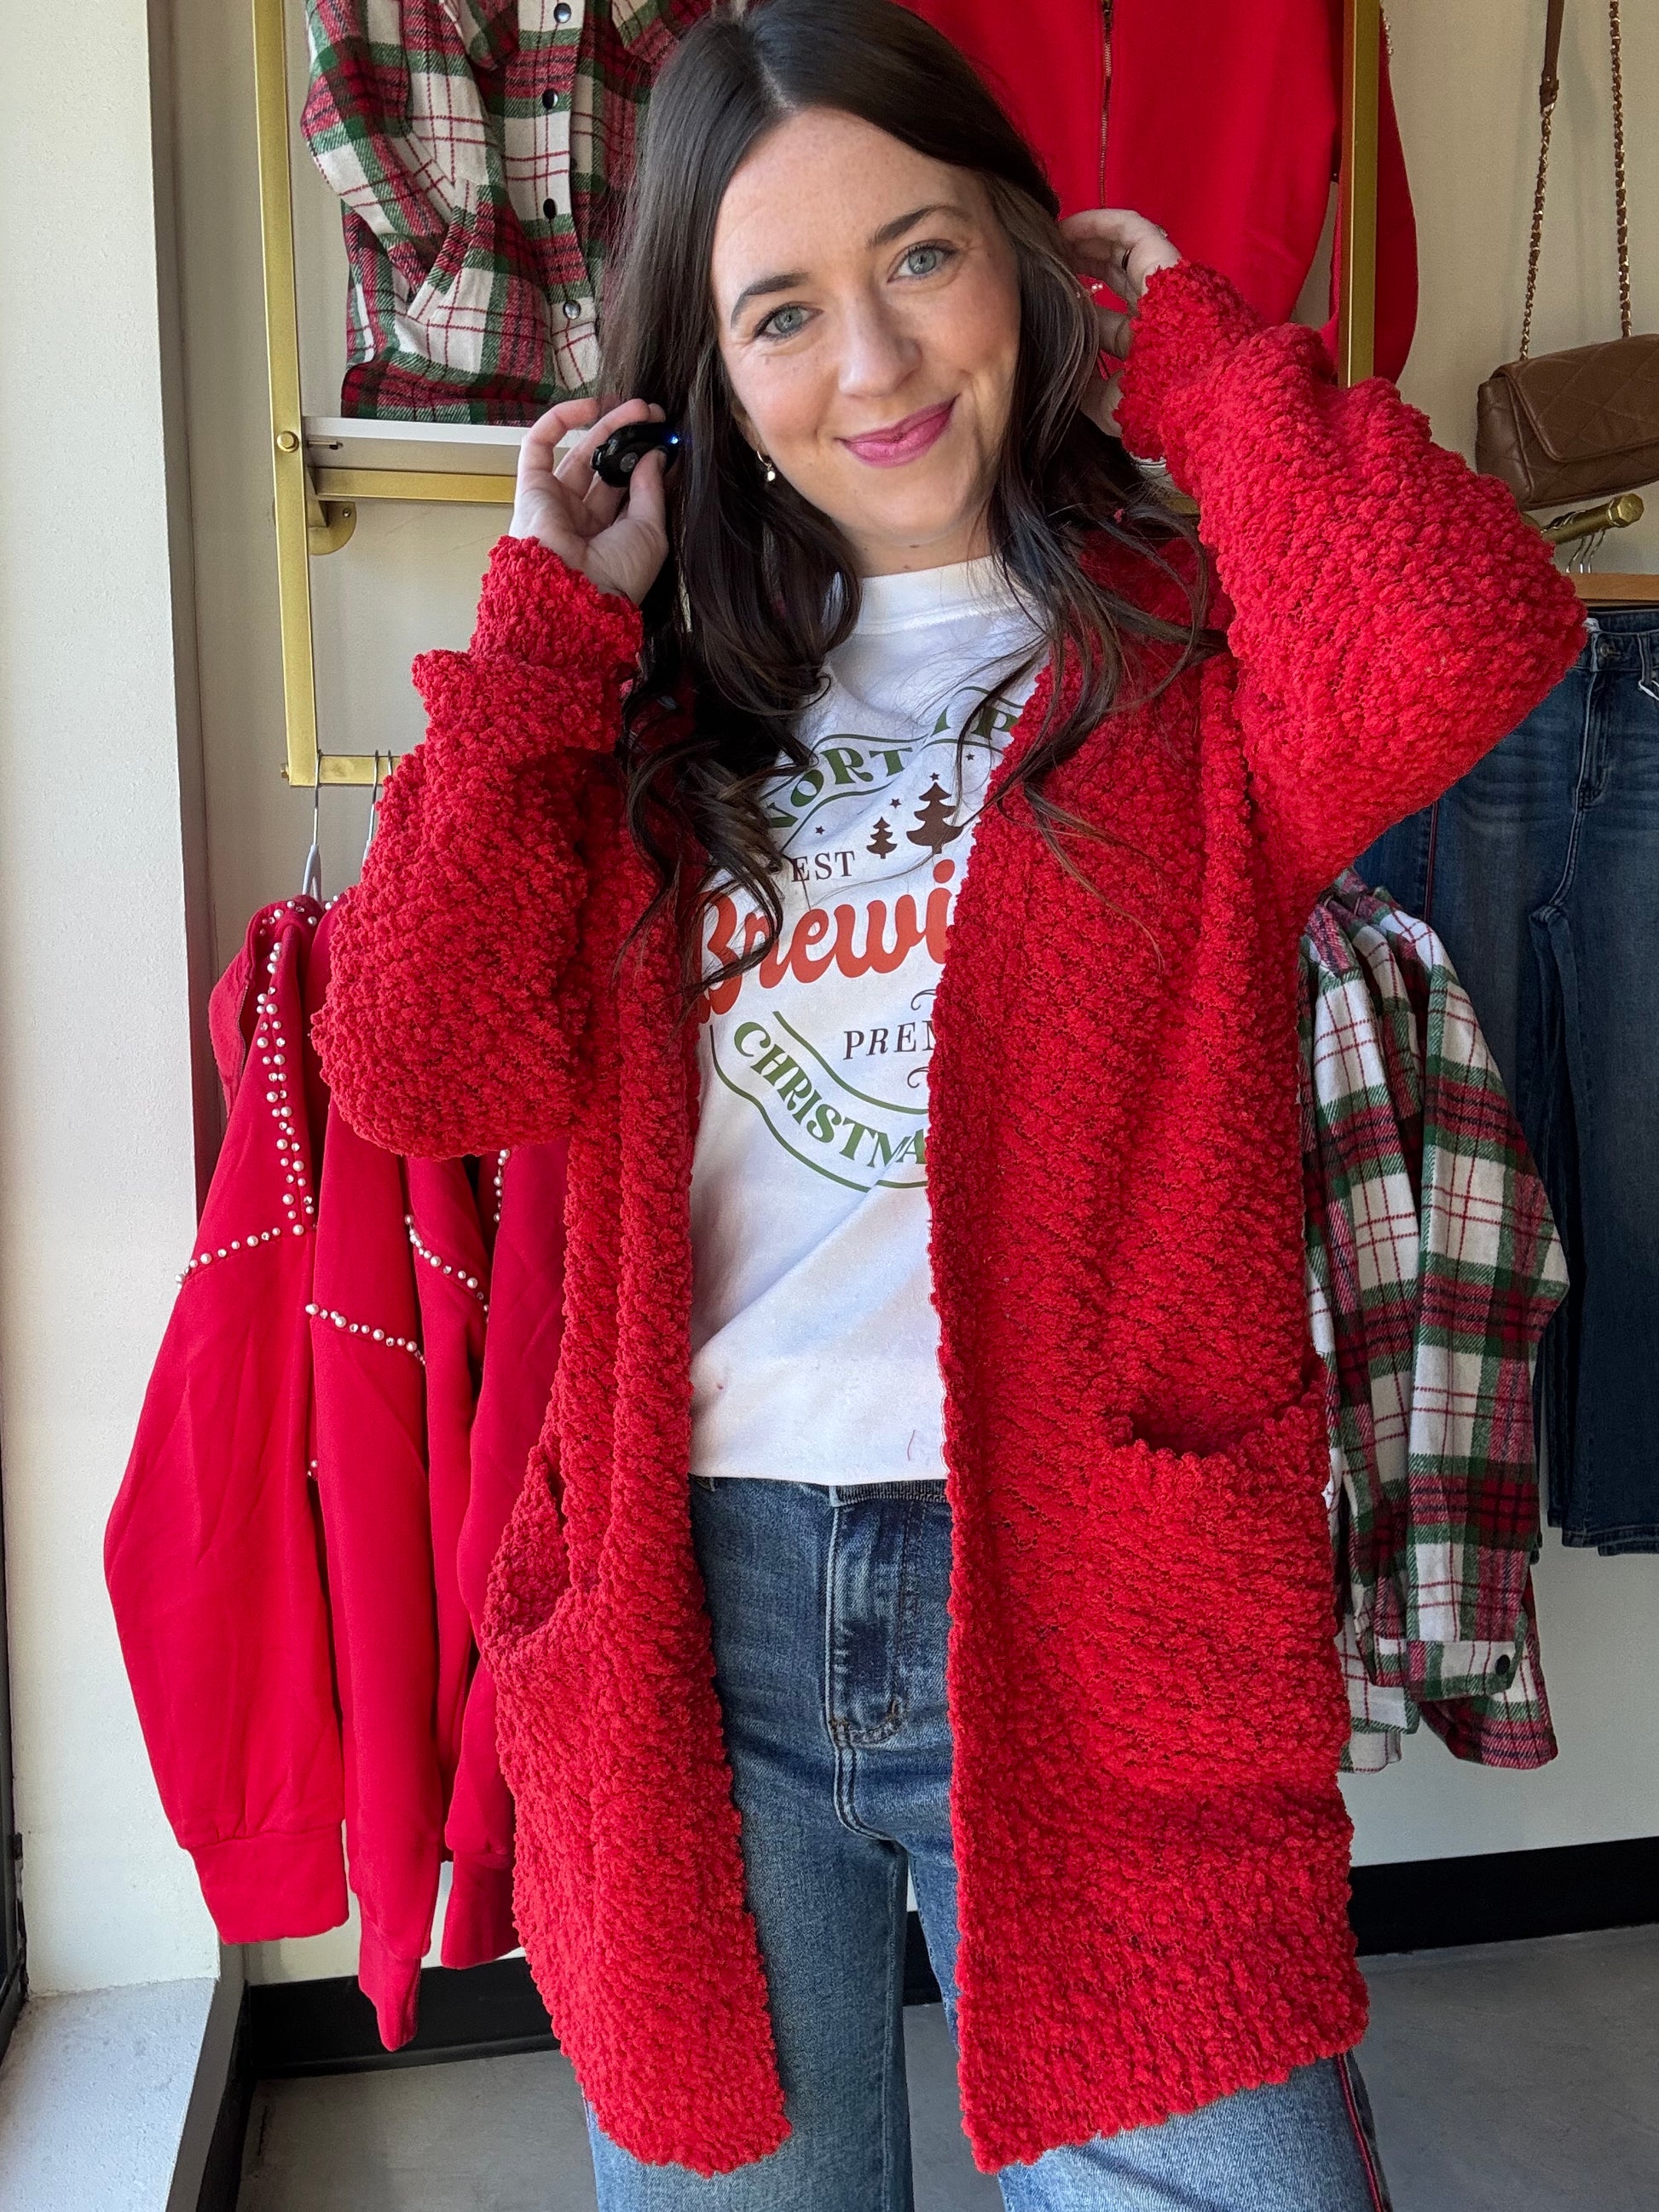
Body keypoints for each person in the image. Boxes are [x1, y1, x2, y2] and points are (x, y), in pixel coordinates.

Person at [314, 3, 1583, 2205]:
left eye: (920, 256)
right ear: (707, 381)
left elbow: (1466, 635)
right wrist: (539, 631)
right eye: (782, 313)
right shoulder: (648, 717)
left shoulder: (1181, 662)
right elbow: (415, 1064)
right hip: (699, 1621)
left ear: (1020, 256)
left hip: (1102, 1601)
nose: (876, 363)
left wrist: (1187, 351)